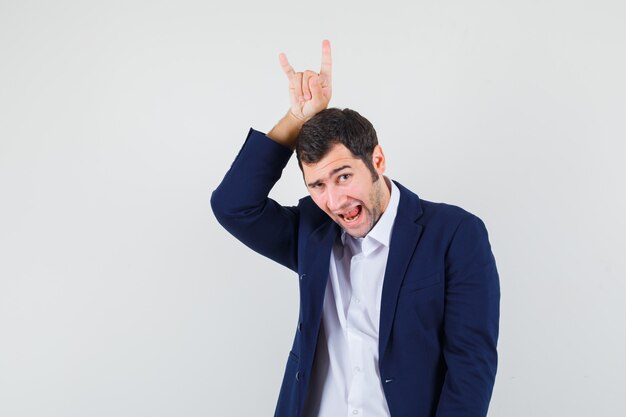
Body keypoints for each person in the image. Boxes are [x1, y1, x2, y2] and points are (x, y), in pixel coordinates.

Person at [211, 40, 500, 417]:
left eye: (343, 176)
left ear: (377, 160)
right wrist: (295, 119)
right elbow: (233, 206)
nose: (334, 201)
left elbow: (471, 367)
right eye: (317, 185)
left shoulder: (454, 234)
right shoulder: (311, 235)